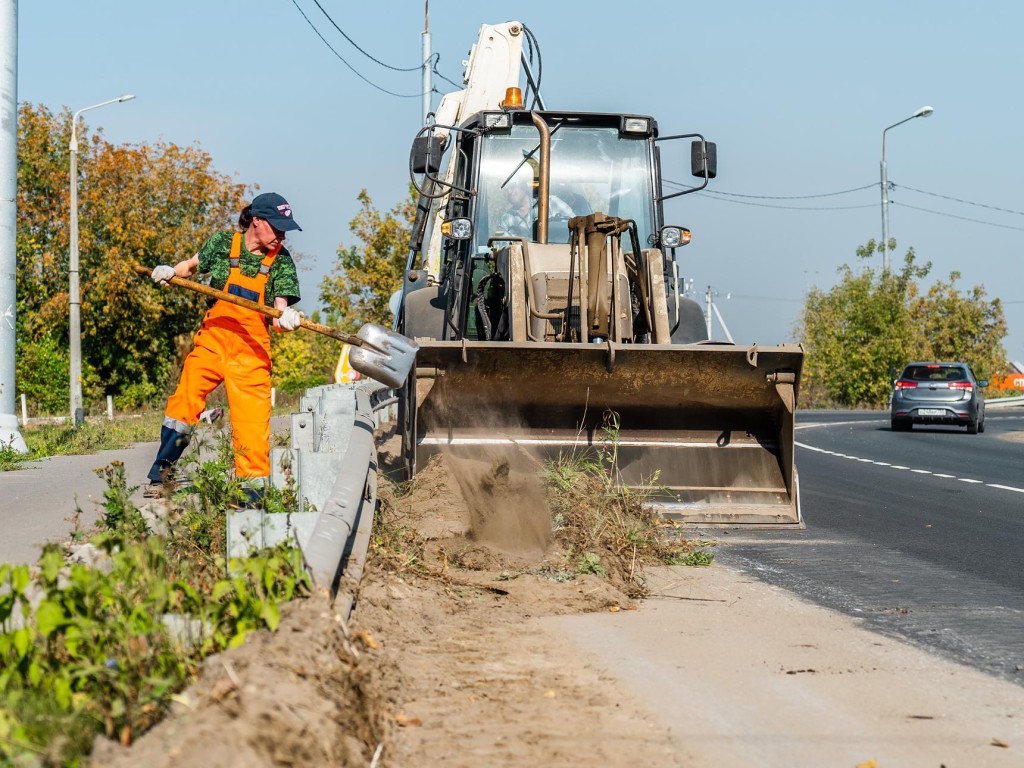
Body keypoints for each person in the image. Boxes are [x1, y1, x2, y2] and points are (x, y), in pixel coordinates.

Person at [144, 192, 303, 499]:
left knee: (253, 426)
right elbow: (189, 267)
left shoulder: (281, 261)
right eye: (278, 226)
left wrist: (287, 319)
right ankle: (162, 473)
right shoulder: (222, 244)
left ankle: (251, 497)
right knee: (184, 403)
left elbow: (279, 312)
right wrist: (170, 273)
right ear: (257, 221)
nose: (283, 234)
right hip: (213, 341)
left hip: (252, 354)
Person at [497, 179, 575, 239]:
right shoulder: (506, 219)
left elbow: (577, 226)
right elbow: (503, 246)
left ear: (523, 186)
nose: (509, 192)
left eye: (512, 187)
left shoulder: (551, 203)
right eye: (505, 190)